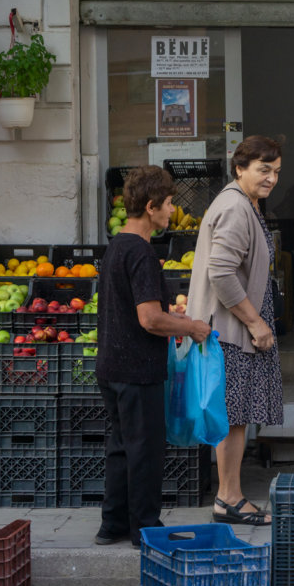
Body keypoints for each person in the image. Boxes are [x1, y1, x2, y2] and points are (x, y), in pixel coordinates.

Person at [95, 165, 212, 548]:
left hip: (110, 365)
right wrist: (191, 326)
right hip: (136, 368)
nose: (171, 211)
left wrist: (168, 318)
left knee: (120, 446)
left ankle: (111, 524)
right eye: (168, 204)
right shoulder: (143, 253)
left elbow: (137, 309)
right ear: (150, 206)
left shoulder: (115, 246)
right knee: (144, 448)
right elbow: (148, 319)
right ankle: (144, 527)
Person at [187, 135, 284, 526]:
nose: (272, 178)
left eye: (276, 171)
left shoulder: (244, 204)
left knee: (237, 415)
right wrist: (255, 322)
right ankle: (228, 498)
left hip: (234, 329)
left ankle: (230, 496)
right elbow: (222, 273)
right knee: (232, 416)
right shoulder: (234, 207)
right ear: (240, 167)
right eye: (264, 170)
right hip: (231, 331)